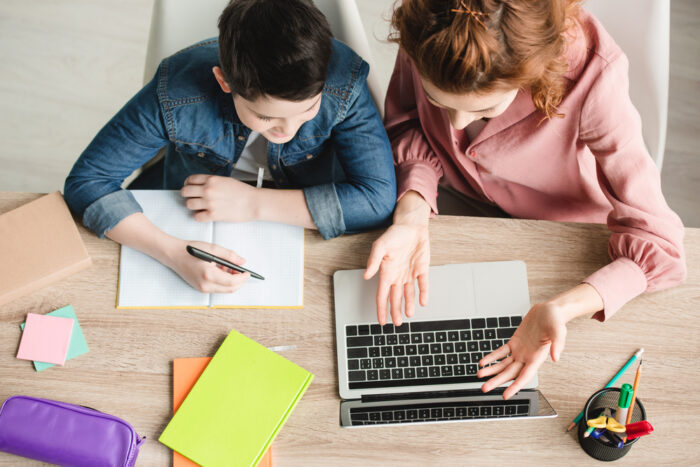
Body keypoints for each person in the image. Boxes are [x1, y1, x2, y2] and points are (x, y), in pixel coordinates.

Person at [364, 0, 686, 399]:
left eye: (482, 108)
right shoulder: (432, 35)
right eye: (440, 102)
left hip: (559, 232)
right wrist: (411, 211)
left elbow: (664, 248)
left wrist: (563, 308)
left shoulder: (594, 75)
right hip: (456, 204)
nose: (456, 125)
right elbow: (409, 122)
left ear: (534, 73)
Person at [64, 0, 396, 294]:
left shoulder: (343, 79)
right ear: (225, 81)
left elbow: (377, 199)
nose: (289, 130)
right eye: (266, 117)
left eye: (308, 110)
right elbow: (87, 182)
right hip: (188, 207)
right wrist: (174, 253)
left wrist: (253, 203)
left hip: (301, 209)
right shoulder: (178, 90)